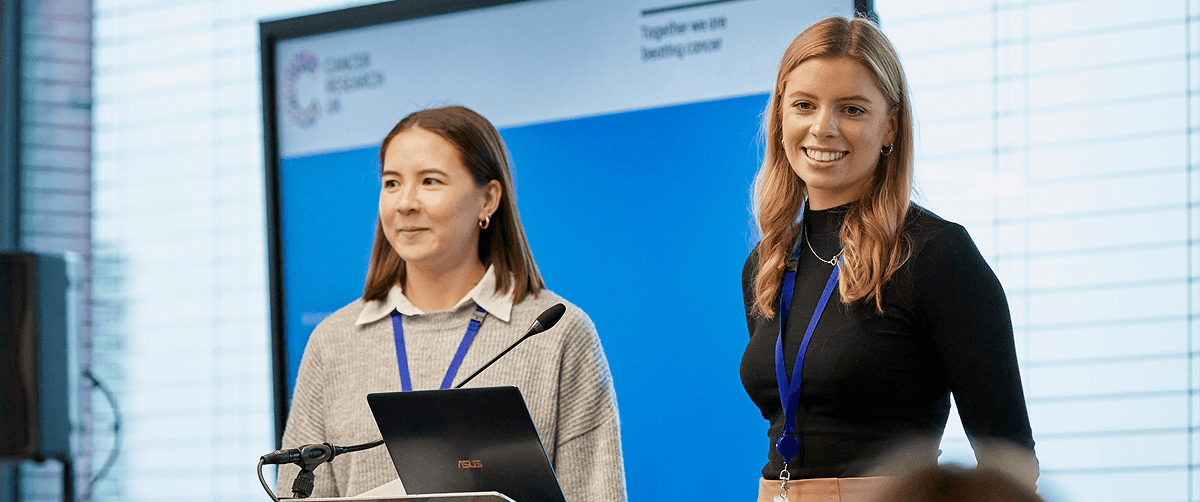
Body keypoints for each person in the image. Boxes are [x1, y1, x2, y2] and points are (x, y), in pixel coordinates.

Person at [739, 16, 1038, 502]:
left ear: (890, 127)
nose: (823, 127)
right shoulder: (766, 263)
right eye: (803, 105)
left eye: (852, 109)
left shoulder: (937, 254)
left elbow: (1010, 462)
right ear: (779, 117)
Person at [277, 106, 626, 501]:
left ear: (488, 200)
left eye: (430, 181)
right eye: (391, 183)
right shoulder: (334, 340)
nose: (405, 203)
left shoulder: (556, 333)